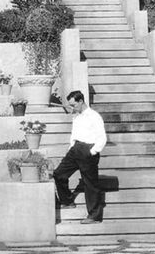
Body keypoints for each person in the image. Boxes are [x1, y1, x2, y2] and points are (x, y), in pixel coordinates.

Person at [53, 90, 107, 224]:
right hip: (75, 150)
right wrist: (72, 147)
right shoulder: (76, 117)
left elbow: (102, 137)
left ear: (81, 101)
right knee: (58, 174)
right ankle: (67, 201)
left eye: (74, 105)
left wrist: (92, 151)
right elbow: (74, 134)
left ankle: (94, 216)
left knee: (90, 184)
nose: (72, 107)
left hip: (88, 150)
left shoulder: (94, 116)